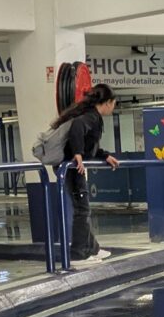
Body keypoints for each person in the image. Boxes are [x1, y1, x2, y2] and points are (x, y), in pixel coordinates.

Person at [51, 83, 121, 263]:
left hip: (72, 165)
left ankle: (92, 249)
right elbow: (77, 129)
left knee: (82, 209)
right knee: (82, 210)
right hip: (72, 167)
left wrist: (105, 155)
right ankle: (78, 253)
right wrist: (77, 154)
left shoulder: (91, 115)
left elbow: (90, 145)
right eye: (113, 104)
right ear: (108, 102)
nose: (113, 108)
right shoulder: (90, 117)